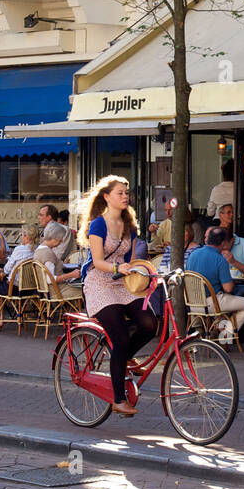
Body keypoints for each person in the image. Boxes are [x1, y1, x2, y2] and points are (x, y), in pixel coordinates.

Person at [82, 176, 159, 418]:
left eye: (126, 193)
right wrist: (118, 269)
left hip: (123, 282)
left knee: (150, 323)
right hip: (100, 282)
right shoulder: (98, 225)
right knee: (121, 338)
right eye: (120, 193)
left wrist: (144, 273)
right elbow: (97, 262)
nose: (125, 196)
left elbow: (130, 260)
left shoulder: (130, 225)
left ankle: (123, 358)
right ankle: (118, 399)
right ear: (107, 197)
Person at [185, 226, 244, 340]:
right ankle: (225, 334)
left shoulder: (193, 255)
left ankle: (216, 327)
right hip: (211, 304)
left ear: (208, 239)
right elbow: (228, 288)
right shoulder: (220, 259)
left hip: (192, 304)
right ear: (223, 243)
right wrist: (231, 282)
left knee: (223, 302)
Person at [216, 204, 244, 273]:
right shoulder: (212, 242)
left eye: (233, 213)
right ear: (220, 215)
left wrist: (234, 262)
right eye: (229, 212)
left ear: (232, 241)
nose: (232, 215)